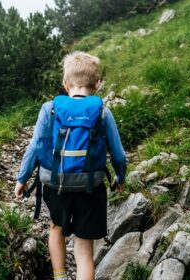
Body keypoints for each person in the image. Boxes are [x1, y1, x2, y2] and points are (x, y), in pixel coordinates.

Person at [14, 51, 127, 280]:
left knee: (56, 228)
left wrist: (22, 179)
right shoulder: (103, 112)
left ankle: (60, 276)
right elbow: (119, 155)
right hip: (90, 188)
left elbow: (35, 147)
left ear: (65, 84)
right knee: (84, 246)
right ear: (97, 84)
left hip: (55, 185)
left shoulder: (49, 109)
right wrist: (120, 178)